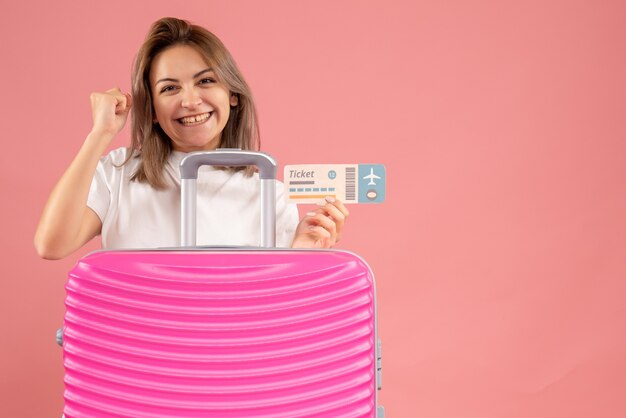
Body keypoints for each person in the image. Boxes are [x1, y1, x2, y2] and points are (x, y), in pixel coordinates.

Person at [34, 17, 348, 259]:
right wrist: (99, 134)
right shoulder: (119, 172)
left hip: (228, 345)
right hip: (138, 344)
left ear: (232, 94)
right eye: (170, 88)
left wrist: (302, 249)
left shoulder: (270, 195)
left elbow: (269, 309)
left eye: (206, 81)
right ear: (153, 109)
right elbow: (51, 244)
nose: (190, 100)